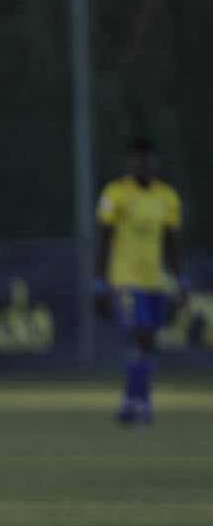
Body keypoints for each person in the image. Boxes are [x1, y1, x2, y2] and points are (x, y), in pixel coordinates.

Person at [93, 136, 190, 424]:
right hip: (125, 279)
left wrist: (182, 281)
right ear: (129, 162)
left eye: (146, 159)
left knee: (147, 343)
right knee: (141, 335)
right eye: (135, 159)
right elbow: (102, 239)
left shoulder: (167, 197)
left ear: (154, 162)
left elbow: (173, 242)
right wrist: (98, 282)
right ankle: (143, 405)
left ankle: (127, 402)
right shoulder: (116, 193)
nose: (141, 164)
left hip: (154, 281)